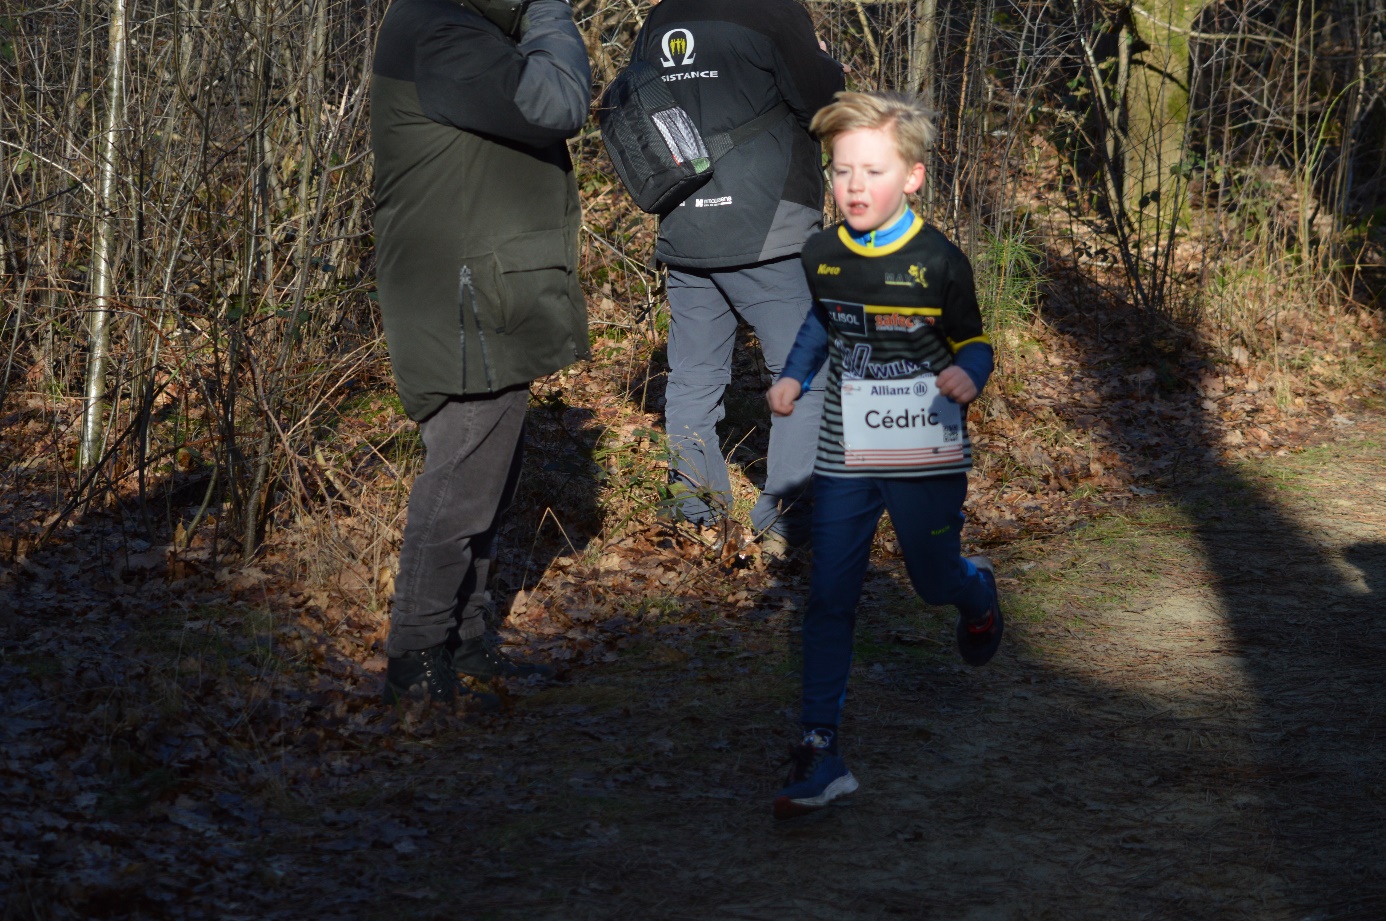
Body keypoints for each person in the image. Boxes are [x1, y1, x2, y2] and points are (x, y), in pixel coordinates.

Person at [764, 92, 1003, 817]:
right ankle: (819, 747)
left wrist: (972, 373)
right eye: (842, 172)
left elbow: (974, 339)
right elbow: (820, 321)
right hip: (846, 452)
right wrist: (794, 375)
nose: (855, 186)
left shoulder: (939, 260)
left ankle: (974, 590)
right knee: (830, 595)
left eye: (872, 170)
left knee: (931, 581)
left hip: (927, 450)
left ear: (913, 178)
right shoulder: (822, 254)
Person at [370, 0, 592, 705]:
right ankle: (415, 654)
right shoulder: (440, 32)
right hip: (460, 292)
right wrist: (547, 14)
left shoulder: (448, 27)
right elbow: (556, 101)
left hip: (473, 284)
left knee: (487, 473)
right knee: (465, 472)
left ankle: (464, 643)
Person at [628, 0, 845, 551]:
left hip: (686, 224)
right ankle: (786, 520)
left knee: (694, 375)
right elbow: (825, 107)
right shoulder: (774, 13)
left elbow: (640, 111)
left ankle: (694, 513)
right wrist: (829, 65)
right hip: (768, 223)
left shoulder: (660, 19)